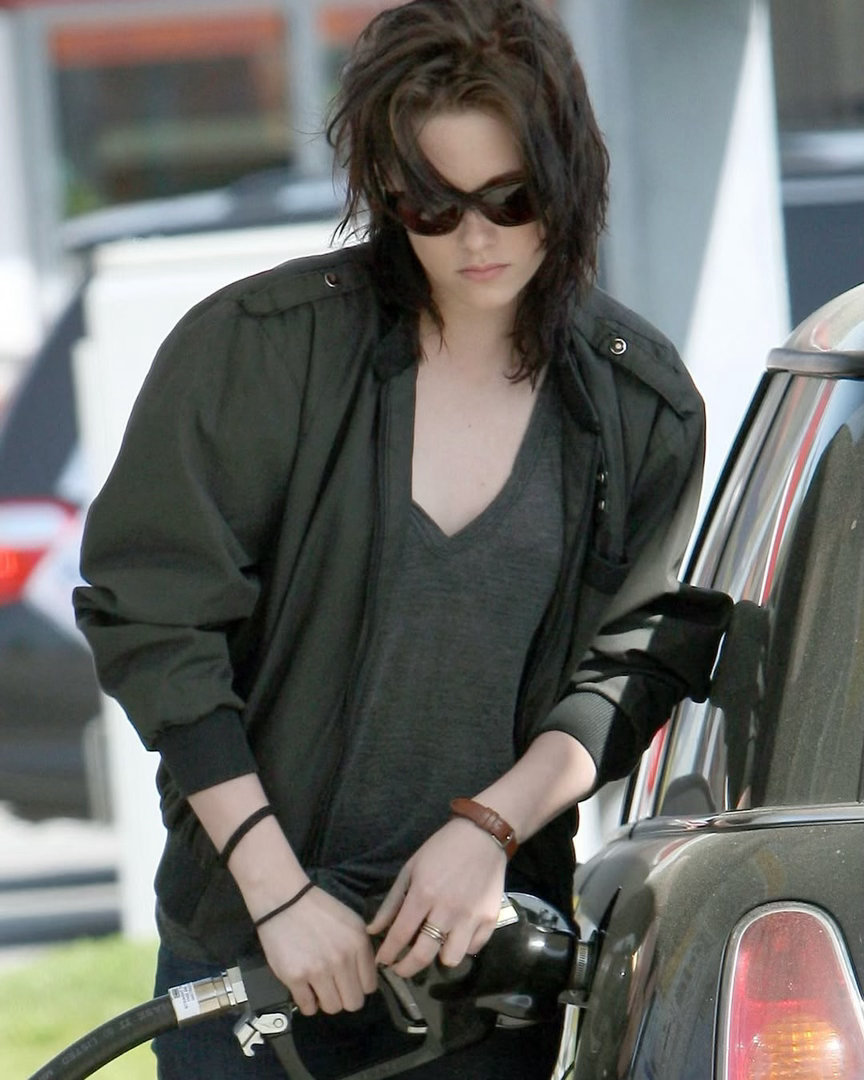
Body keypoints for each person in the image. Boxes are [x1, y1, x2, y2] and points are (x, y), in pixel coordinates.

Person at [73, 1, 731, 1076]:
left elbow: (633, 660)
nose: (477, 238)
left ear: (569, 181)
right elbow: (156, 621)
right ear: (385, 193)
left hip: (481, 975)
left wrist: (490, 830)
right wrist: (278, 895)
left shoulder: (637, 405)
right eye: (434, 204)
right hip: (254, 955)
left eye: (513, 198)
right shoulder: (257, 355)